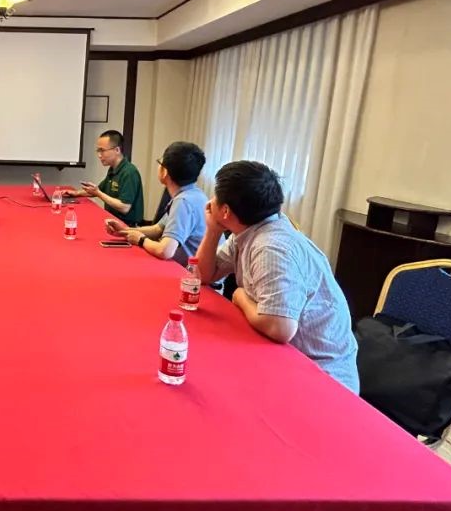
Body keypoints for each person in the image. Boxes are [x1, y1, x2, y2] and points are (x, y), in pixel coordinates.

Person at [195, 160, 359, 393]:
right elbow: (204, 274)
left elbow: (279, 327)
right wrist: (213, 230)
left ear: (226, 211)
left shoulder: (270, 247)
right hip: (285, 356)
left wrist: (240, 296)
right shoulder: (251, 230)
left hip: (323, 378)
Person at [109, 142, 207, 264]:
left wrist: (141, 240)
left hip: (193, 273)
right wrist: (125, 230)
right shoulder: (194, 194)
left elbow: (165, 251)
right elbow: (158, 229)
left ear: (165, 171)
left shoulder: (183, 202)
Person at [63, 130, 144, 226]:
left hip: (126, 226)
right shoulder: (113, 169)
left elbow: (124, 207)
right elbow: (98, 190)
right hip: (112, 220)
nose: (99, 155)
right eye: (98, 151)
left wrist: (98, 193)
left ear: (117, 150)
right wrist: (76, 193)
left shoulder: (129, 172)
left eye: (102, 150)